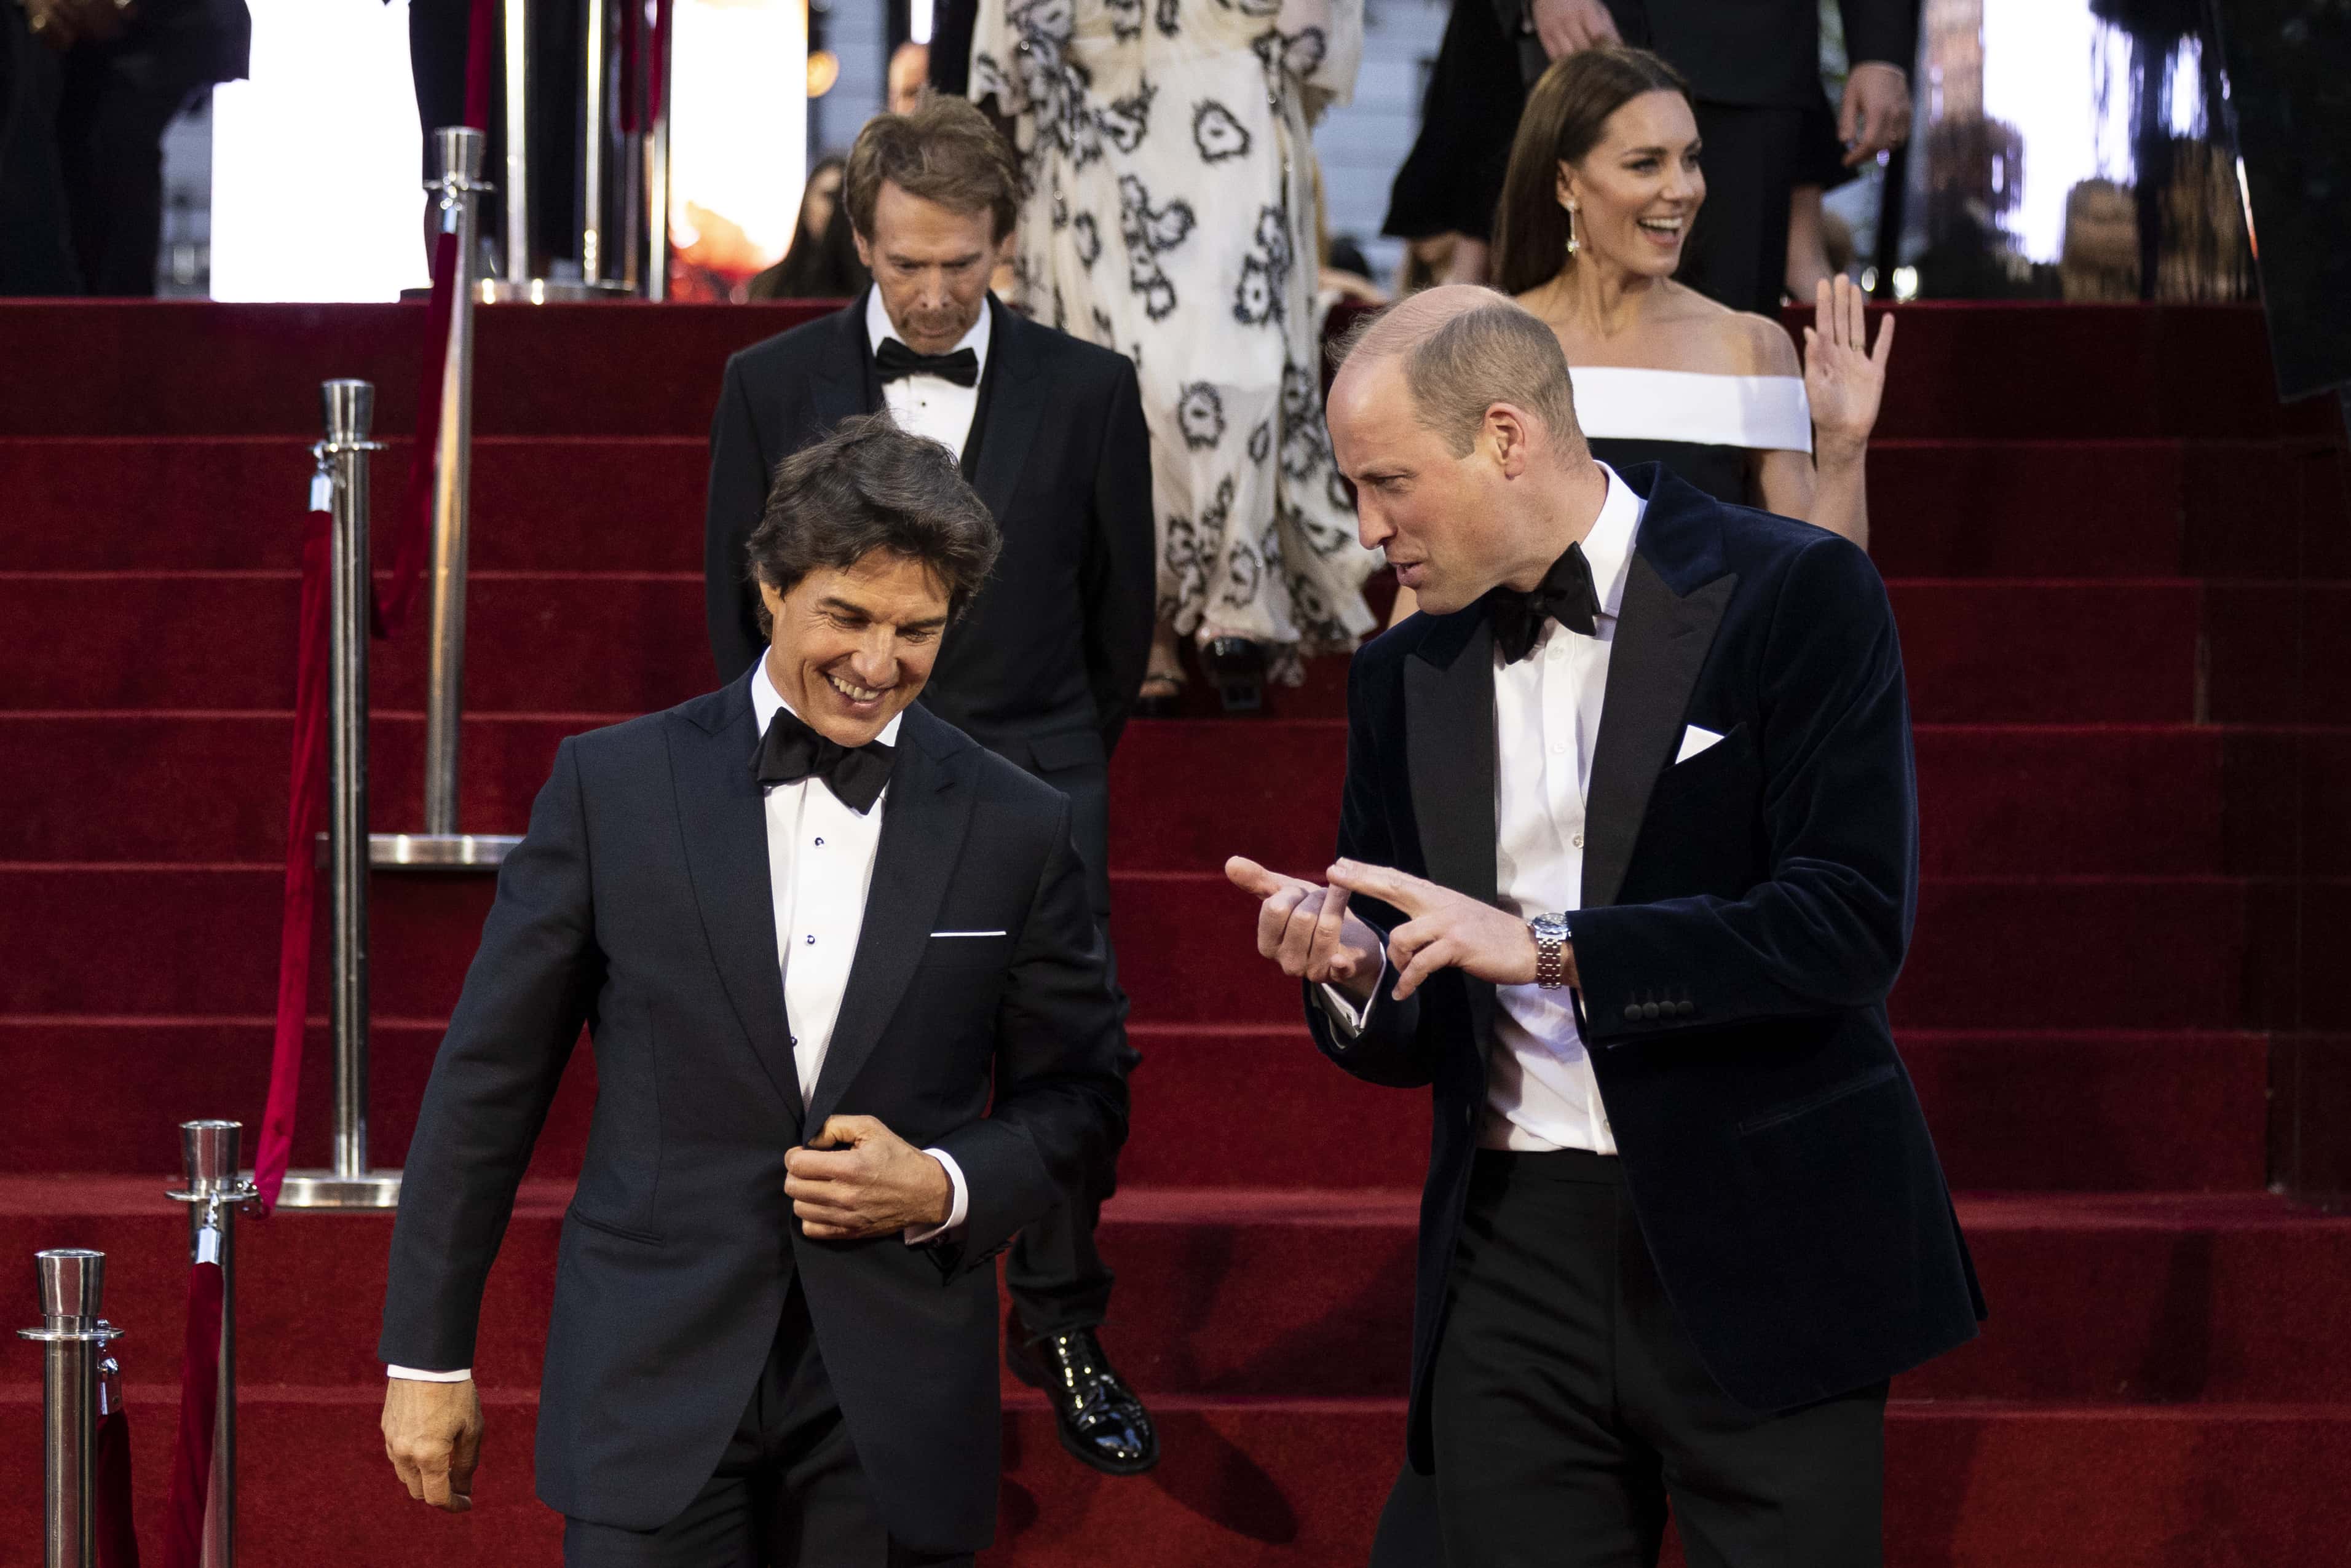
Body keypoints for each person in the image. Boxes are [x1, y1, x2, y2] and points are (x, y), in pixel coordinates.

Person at [1225, 288, 1983, 1566]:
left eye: (1389, 482)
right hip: (1511, 1250)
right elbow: (1414, 1017)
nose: (1367, 530)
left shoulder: (1794, 593)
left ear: (1506, 438)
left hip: (1764, 1227)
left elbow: (1847, 924)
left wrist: (1555, 947)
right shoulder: (1399, 674)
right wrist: (1356, 974)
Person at [379, 416, 1130, 1564]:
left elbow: (1080, 1094)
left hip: (887, 1402)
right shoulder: (612, 787)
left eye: (915, 630)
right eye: (847, 615)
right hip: (651, 1376)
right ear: (772, 582)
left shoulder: (1016, 822)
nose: (878, 663)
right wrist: (429, 1356)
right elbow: (489, 1083)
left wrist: (939, 1183)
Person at [702, 97, 1162, 1475]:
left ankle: (1065, 1319)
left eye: (962, 262)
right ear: (859, 239)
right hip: (825, 764)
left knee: (1066, 1055)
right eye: (907, 261)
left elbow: (1117, 610)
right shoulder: (767, 381)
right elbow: (741, 607)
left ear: (1002, 245)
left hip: (1032, 764)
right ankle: (803, 1316)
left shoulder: (1088, 387)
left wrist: (1051, 773)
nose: (933, 291)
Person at [970, 0, 1380, 713]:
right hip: (1093, 77)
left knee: (1236, 367)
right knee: (1123, 371)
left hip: (1233, 71)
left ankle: (1236, 596)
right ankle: (1149, 618)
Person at [1383, 0, 1914, 310]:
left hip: (1748, 55)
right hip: (1570, 44)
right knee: (1550, 344)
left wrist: (1882, 50)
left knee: (1730, 353)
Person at [746, 154, 870, 301]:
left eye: (841, 200)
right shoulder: (767, 286)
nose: (834, 210)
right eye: (828, 196)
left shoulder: (874, 290)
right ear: (807, 200)